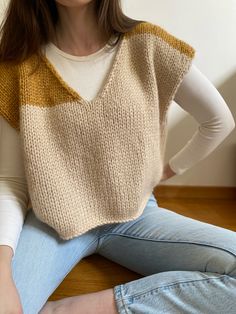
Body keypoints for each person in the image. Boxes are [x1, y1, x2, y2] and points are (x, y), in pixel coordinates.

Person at [0, 0, 235, 313]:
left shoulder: (149, 45)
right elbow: (11, 181)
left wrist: (168, 170)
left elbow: (218, 121)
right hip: (52, 223)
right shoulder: (16, 67)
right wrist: (2, 268)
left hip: (136, 215)